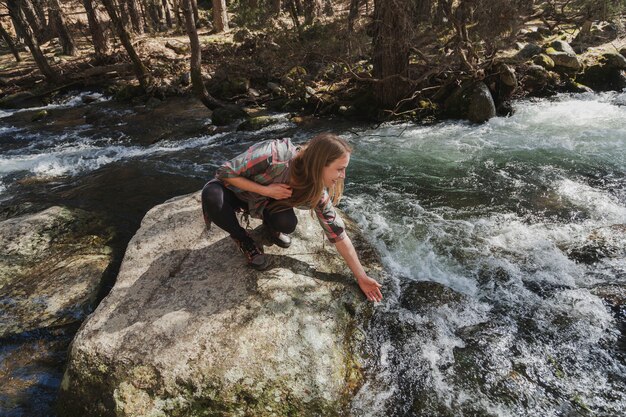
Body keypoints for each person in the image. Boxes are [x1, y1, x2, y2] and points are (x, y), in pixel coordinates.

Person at [201, 133, 383, 302]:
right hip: (235, 193)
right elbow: (224, 172)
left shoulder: (317, 191)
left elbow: (338, 234)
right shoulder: (274, 153)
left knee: (287, 223)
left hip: (266, 204)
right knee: (212, 196)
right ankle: (243, 239)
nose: (343, 175)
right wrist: (266, 190)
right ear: (320, 163)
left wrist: (361, 277)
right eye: (340, 169)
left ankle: (270, 225)